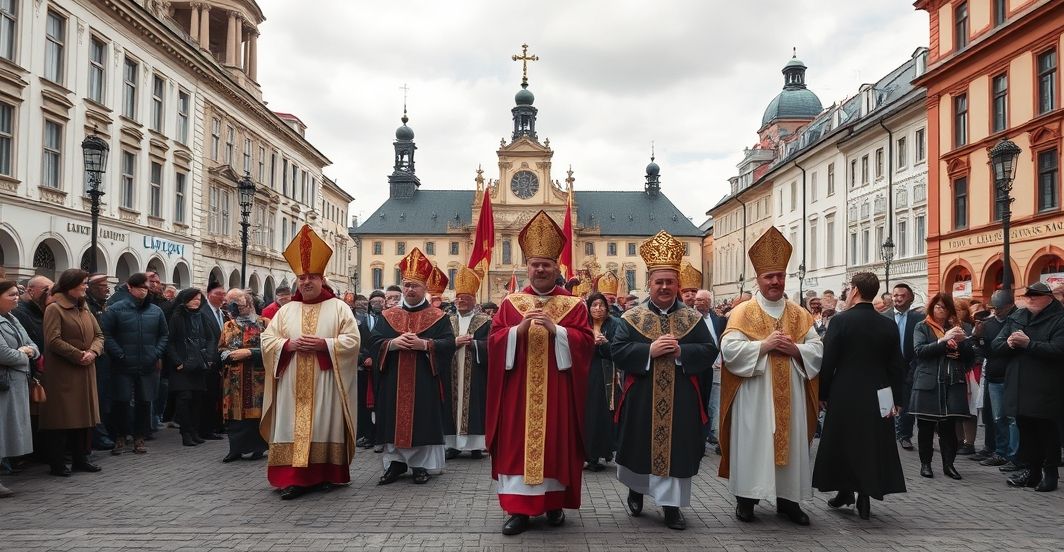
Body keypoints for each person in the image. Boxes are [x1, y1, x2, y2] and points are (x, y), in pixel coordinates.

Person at [486, 210, 594, 536]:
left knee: (556, 445)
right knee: (516, 447)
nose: (541, 269)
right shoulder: (510, 304)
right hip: (518, 392)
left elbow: (586, 344)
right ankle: (518, 510)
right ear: (527, 267)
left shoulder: (574, 305)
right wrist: (516, 330)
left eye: (546, 264)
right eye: (535, 264)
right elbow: (493, 340)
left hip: (558, 392)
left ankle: (553, 504)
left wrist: (559, 332)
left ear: (557, 268)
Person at [611, 231, 717, 530]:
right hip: (642, 395)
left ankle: (672, 507)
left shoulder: (692, 318)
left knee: (676, 450)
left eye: (670, 281)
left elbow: (709, 350)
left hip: (681, 397)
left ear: (678, 284)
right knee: (639, 447)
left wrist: (682, 351)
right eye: (659, 281)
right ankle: (636, 491)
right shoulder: (632, 316)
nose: (665, 287)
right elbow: (617, 350)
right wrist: (649, 351)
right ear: (649, 283)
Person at [719, 227, 823, 525]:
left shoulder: (799, 314)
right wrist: (763, 346)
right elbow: (729, 349)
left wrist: (796, 350)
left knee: (790, 444)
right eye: (769, 277)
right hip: (754, 393)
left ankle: (789, 501)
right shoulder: (743, 312)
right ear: (759, 280)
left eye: (779, 275)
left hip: (791, 393)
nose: (775, 281)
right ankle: (747, 500)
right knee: (754, 444)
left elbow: (817, 348)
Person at [260, 225, 360, 500]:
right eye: (302, 277)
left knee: (322, 424)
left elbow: (352, 341)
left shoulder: (339, 308)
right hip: (291, 379)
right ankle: (292, 478)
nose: (306, 282)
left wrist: (325, 345)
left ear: (322, 279)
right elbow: (268, 341)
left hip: (325, 380)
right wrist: (287, 345)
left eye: (312, 277)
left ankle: (325, 473)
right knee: (291, 426)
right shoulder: (286, 311)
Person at [812, 272, 906, 520]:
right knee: (874, 441)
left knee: (845, 440)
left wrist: (822, 392)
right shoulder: (888, 324)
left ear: (854, 290)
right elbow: (897, 364)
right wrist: (897, 399)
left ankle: (847, 489)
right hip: (881, 391)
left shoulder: (841, 321)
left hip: (847, 390)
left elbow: (829, 360)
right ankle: (862, 494)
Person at [368, 249, 455, 485]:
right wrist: (392, 344)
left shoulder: (438, 316)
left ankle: (420, 465)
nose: (410, 290)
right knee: (393, 419)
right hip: (393, 379)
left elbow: (448, 344)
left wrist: (425, 344)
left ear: (425, 288)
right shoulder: (388, 315)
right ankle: (395, 464)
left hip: (424, 379)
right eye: (406, 285)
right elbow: (374, 342)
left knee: (422, 420)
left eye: (415, 286)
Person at [992, 282, 1064, 492]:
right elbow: (995, 345)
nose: (1031, 298)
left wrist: (1028, 344)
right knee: (1026, 429)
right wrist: (1010, 344)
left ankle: (1050, 473)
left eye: (1036, 295)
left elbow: (1059, 349)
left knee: (1046, 429)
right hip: (1018, 383)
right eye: (1028, 295)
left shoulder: (1059, 319)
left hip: (1046, 385)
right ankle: (1031, 471)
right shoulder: (1017, 317)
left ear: (1049, 298)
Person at [39, 269, 105, 477]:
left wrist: (93, 351)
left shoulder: (84, 308)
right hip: (63, 373)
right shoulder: (55, 309)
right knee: (61, 419)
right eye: (83, 284)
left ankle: (81, 458)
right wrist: (79, 355)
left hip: (86, 370)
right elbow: (53, 340)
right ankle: (57, 463)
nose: (86, 287)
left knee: (83, 418)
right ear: (70, 285)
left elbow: (99, 334)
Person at [101, 273, 168, 455]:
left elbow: (163, 335)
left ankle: (140, 437)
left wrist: (155, 353)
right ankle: (120, 436)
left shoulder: (156, 311)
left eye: (146, 288)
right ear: (130, 288)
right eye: (140, 288)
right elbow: (106, 335)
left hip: (147, 364)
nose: (143, 291)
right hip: (122, 364)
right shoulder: (116, 309)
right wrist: (120, 354)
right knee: (121, 401)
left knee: (144, 401)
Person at [909, 292, 974, 480]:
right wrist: (942, 341)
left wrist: (961, 346)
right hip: (928, 382)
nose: (941, 310)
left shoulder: (960, 327)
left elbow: (969, 358)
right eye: (937, 306)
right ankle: (926, 464)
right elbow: (920, 351)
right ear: (931, 308)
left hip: (952, 383)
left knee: (949, 428)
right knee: (925, 427)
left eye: (944, 307)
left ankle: (949, 465)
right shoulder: (922, 327)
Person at [444, 267, 491, 460]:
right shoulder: (447, 320)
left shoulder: (485, 321)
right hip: (451, 371)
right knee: (451, 405)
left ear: (474, 299)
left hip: (476, 372)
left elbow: (493, 344)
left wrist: (475, 344)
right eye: (458, 297)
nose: (461, 301)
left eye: (465, 297)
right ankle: (453, 445)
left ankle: (476, 446)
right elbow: (438, 343)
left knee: (476, 405)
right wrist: (453, 343)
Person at [219, 289, 269, 462]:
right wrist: (227, 355)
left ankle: (258, 448)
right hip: (234, 378)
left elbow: (271, 348)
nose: (238, 308)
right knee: (235, 415)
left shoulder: (265, 323)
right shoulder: (229, 325)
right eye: (234, 305)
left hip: (258, 376)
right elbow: (222, 347)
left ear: (250, 304)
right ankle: (236, 449)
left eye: (241, 304)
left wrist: (249, 353)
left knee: (257, 413)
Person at [0, 280, 38, 497]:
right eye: (11, 294)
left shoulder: (13, 318)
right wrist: (24, 354)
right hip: (4, 384)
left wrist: (27, 351)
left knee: (8, 430)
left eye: (17, 294)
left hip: (16, 383)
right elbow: (5, 354)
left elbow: (34, 346)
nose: (16, 297)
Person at [977, 290, 1018, 468]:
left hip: (1013, 376)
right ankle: (1001, 452)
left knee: (1013, 419)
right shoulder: (988, 324)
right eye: (994, 308)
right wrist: (978, 338)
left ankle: (1014, 455)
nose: (997, 311)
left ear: (1010, 305)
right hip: (994, 376)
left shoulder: (1018, 320)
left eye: (1000, 308)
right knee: (998, 418)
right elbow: (986, 352)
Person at [165, 288, 210, 447]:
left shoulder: (202, 316)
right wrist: (177, 362)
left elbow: (210, 338)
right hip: (182, 366)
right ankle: (186, 433)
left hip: (198, 365)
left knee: (197, 400)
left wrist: (208, 358)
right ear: (185, 299)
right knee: (184, 399)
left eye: (199, 299)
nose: (197, 301)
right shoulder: (177, 317)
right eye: (193, 298)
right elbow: (169, 342)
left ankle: (194, 431)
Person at [583, 292, 619, 472]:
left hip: (608, 376)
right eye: (594, 305)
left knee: (603, 415)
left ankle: (602, 451)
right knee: (588, 415)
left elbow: (619, 350)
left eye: (601, 305)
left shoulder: (614, 324)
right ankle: (589, 455)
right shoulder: (582, 324)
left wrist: (605, 343)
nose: (598, 309)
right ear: (588, 308)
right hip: (586, 374)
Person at [886, 283, 923, 451]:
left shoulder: (919, 319)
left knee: (907, 402)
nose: (898, 298)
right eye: (895, 295)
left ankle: (905, 435)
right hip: (888, 366)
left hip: (910, 365)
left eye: (902, 295)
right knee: (886, 399)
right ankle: (885, 431)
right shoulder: (884, 317)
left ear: (911, 298)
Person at [693, 289, 726, 448]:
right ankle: (699, 436)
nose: (698, 303)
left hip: (716, 365)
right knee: (699, 402)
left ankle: (710, 433)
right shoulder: (690, 318)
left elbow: (719, 339)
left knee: (713, 402)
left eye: (702, 300)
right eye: (697, 300)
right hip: (698, 368)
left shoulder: (716, 319)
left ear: (709, 303)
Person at [198, 281, 227, 441]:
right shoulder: (203, 312)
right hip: (208, 360)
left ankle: (216, 425)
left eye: (223, 294)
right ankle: (206, 428)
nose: (222, 297)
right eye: (219, 294)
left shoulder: (221, 313)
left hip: (219, 360)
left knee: (216, 394)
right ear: (209, 295)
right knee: (207, 396)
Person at [13, 275, 51, 354]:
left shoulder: (41, 308)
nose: (49, 294)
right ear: (30, 291)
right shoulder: (18, 311)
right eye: (46, 289)